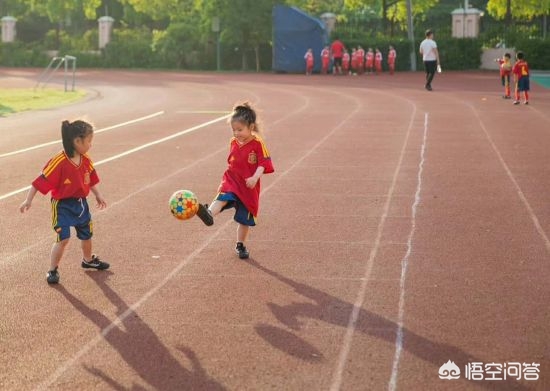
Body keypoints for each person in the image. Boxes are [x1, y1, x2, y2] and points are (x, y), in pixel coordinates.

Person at [19, 120, 109, 284]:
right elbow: (40, 180)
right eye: (89, 141)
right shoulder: (59, 161)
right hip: (62, 206)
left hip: (81, 204)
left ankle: (88, 260)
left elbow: (91, 179)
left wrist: (97, 194)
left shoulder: (86, 160)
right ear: (77, 141)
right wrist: (28, 200)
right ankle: (52, 270)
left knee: (87, 235)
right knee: (63, 238)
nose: (91, 145)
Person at [195, 103, 274, 259]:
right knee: (223, 196)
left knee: (244, 220)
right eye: (234, 130)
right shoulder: (233, 142)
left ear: (251, 127)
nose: (236, 133)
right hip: (232, 179)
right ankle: (209, 213)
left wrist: (255, 177)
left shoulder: (258, 144)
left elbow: (264, 163)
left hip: (248, 186)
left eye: (240, 130)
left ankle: (240, 245)